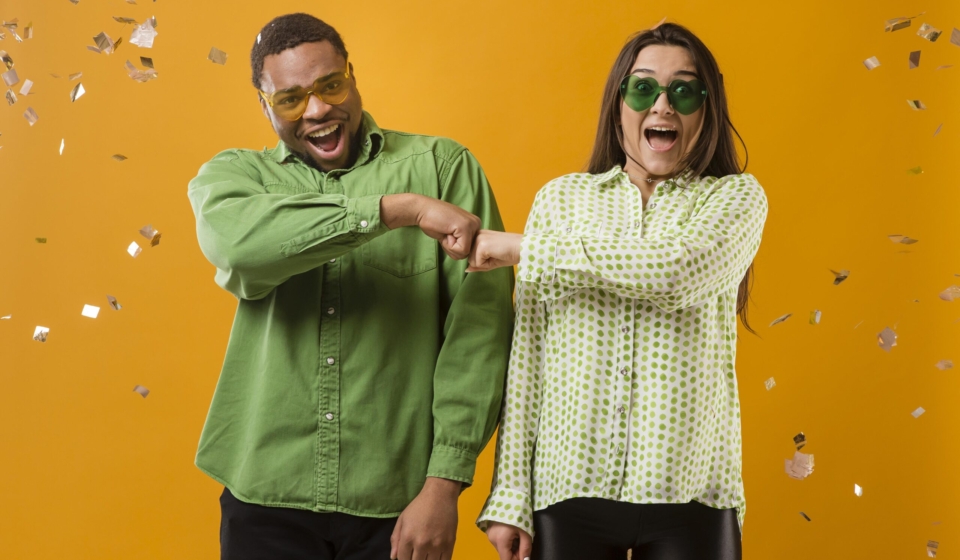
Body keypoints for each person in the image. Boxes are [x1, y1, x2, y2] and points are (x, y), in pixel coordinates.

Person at [186, 13, 514, 560]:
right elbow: (237, 247)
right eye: (290, 98)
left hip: (397, 500)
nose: (317, 110)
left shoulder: (443, 168)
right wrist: (396, 211)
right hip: (265, 495)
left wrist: (443, 487)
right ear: (264, 105)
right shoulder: (238, 179)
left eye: (330, 85)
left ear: (352, 76)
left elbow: (479, 335)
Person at [470, 22, 768, 560]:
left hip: (693, 494)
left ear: (707, 107)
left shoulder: (736, 199)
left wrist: (527, 250)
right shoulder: (560, 201)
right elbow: (528, 358)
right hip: (568, 490)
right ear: (618, 103)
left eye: (683, 90)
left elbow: (678, 272)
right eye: (643, 88)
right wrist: (510, 497)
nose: (663, 105)